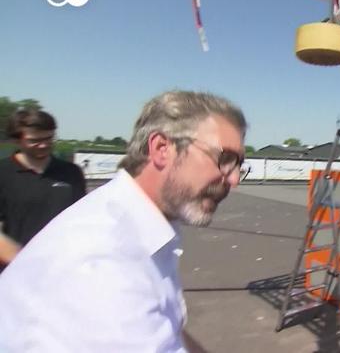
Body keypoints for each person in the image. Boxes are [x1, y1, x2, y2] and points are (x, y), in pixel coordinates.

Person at [0, 91, 249, 352]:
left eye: (238, 165)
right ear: (162, 149)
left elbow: (170, 330)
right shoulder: (104, 268)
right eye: (225, 159)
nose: (234, 180)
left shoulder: (141, 223)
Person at [0, 109, 86, 269]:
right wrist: (26, 265)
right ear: (16, 140)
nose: (44, 145)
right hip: (14, 272)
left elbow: (81, 222)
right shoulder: (3, 173)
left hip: (62, 269)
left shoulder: (72, 172)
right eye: (34, 140)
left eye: (49, 138)